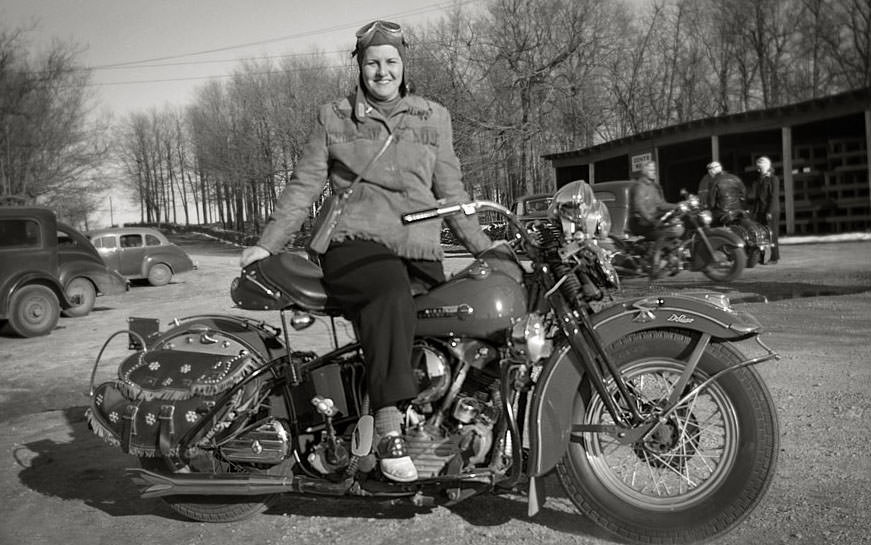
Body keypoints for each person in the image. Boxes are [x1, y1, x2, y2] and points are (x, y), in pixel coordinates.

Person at [239, 20, 494, 482]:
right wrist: (266, 245)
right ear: (359, 66)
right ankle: (388, 427)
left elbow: (452, 192)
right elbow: (303, 187)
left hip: (417, 246)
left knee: (466, 315)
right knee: (390, 295)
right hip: (354, 243)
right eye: (373, 61)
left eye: (391, 61)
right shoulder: (334, 117)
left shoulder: (433, 117)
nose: (382, 71)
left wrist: (485, 248)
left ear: (404, 65)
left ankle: (456, 426)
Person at [627, 160, 680, 277]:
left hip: (650, 220)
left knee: (672, 227)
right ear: (644, 171)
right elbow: (639, 206)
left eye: (654, 170)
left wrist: (678, 206)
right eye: (651, 170)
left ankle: (670, 258)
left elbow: (661, 204)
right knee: (663, 233)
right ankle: (654, 266)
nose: (654, 172)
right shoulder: (639, 186)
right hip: (638, 222)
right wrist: (651, 220)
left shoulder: (653, 187)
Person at [747, 156, 780, 263]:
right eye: (758, 167)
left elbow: (774, 196)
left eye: (760, 167)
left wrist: (769, 211)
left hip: (771, 211)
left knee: (772, 235)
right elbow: (757, 197)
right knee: (759, 235)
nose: (758, 169)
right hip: (759, 210)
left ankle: (775, 257)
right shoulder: (759, 179)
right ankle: (759, 257)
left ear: (766, 166)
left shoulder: (773, 179)